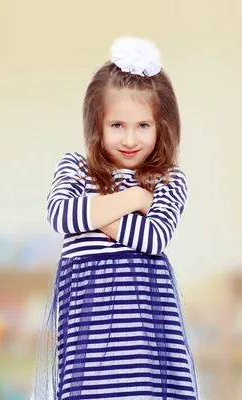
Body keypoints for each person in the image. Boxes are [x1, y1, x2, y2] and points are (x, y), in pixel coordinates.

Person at [32, 36, 198, 400]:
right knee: (90, 390)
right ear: (98, 125)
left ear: (161, 127)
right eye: (117, 125)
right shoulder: (75, 167)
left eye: (143, 126)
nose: (130, 139)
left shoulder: (167, 179)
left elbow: (154, 237)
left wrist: (93, 213)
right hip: (87, 311)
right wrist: (134, 198)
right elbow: (61, 214)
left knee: (144, 389)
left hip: (141, 314)